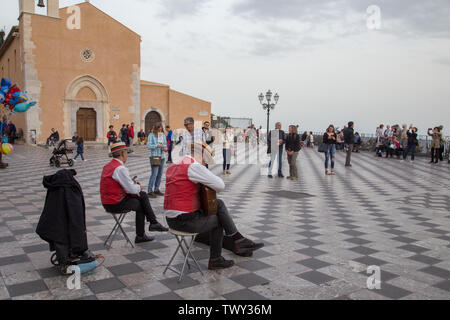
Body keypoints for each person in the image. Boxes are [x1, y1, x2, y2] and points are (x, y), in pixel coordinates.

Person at [164, 142, 264, 270]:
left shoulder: (174, 166)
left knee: (219, 205)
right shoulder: (193, 166)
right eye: (207, 162)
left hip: (171, 220)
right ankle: (218, 257)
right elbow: (220, 185)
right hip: (184, 221)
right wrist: (204, 172)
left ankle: (237, 240)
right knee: (219, 221)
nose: (206, 165)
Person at [100, 142, 168, 244]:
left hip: (107, 202)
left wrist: (132, 184)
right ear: (123, 154)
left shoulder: (108, 166)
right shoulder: (120, 168)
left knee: (142, 196)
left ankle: (151, 226)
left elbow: (119, 184)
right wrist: (138, 186)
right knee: (141, 201)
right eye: (126, 153)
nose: (127, 155)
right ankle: (147, 228)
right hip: (115, 203)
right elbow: (131, 189)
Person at [147, 124, 167, 198]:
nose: (160, 131)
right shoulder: (151, 135)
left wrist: (164, 148)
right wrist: (156, 145)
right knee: (154, 174)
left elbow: (164, 145)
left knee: (160, 174)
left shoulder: (162, 135)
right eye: (158, 129)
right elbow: (148, 146)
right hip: (154, 156)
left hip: (162, 156)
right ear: (155, 129)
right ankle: (149, 190)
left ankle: (156, 189)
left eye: (161, 129)